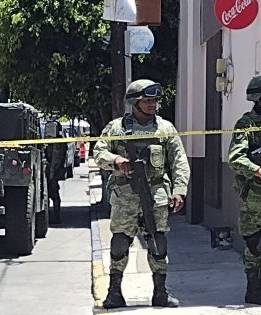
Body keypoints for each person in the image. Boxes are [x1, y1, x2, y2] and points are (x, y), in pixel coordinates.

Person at [93, 79, 190, 309]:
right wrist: (115, 160)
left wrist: (179, 190)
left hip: (156, 194)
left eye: (155, 101)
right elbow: (99, 152)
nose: (152, 105)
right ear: (134, 102)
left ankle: (161, 293)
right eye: (147, 101)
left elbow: (179, 162)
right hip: (125, 195)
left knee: (158, 243)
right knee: (119, 244)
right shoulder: (116, 128)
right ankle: (115, 292)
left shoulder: (165, 128)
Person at [227, 75, 261, 305]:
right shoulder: (247, 123)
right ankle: (254, 288)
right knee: (254, 243)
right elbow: (235, 157)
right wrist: (257, 169)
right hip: (255, 196)